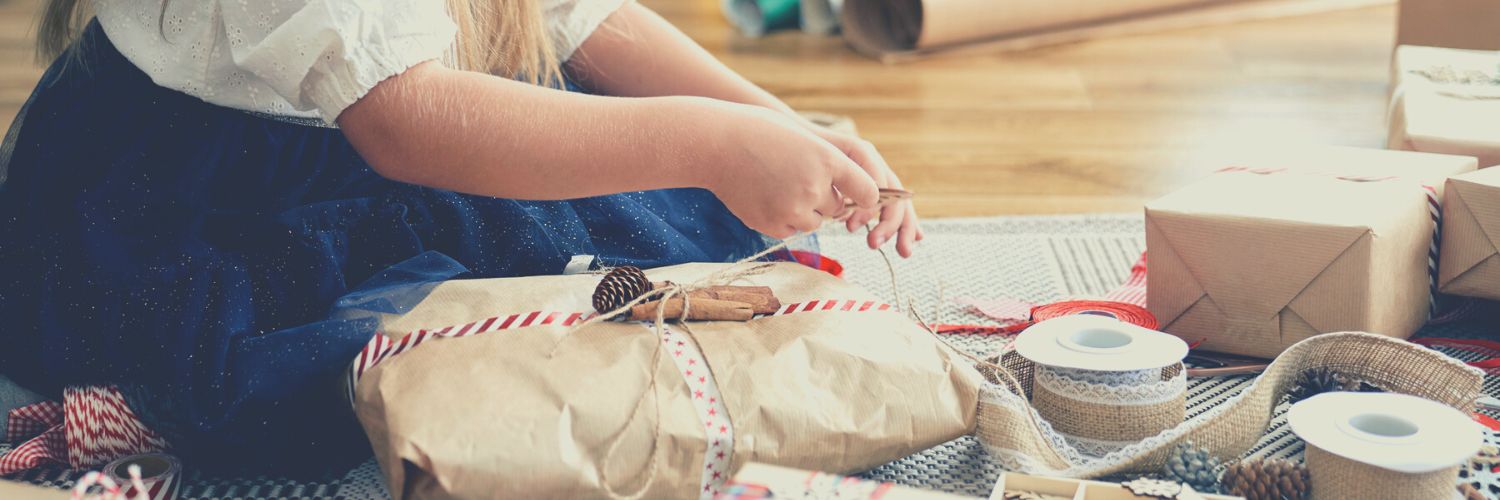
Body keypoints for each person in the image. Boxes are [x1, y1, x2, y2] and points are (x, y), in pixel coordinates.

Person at [0, 0, 922, 474]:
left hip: (386, 127)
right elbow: (406, 123)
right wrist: (715, 145)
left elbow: (582, 19)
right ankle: (148, 403)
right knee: (374, 363)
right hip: (200, 195)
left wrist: (788, 128)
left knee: (637, 202)